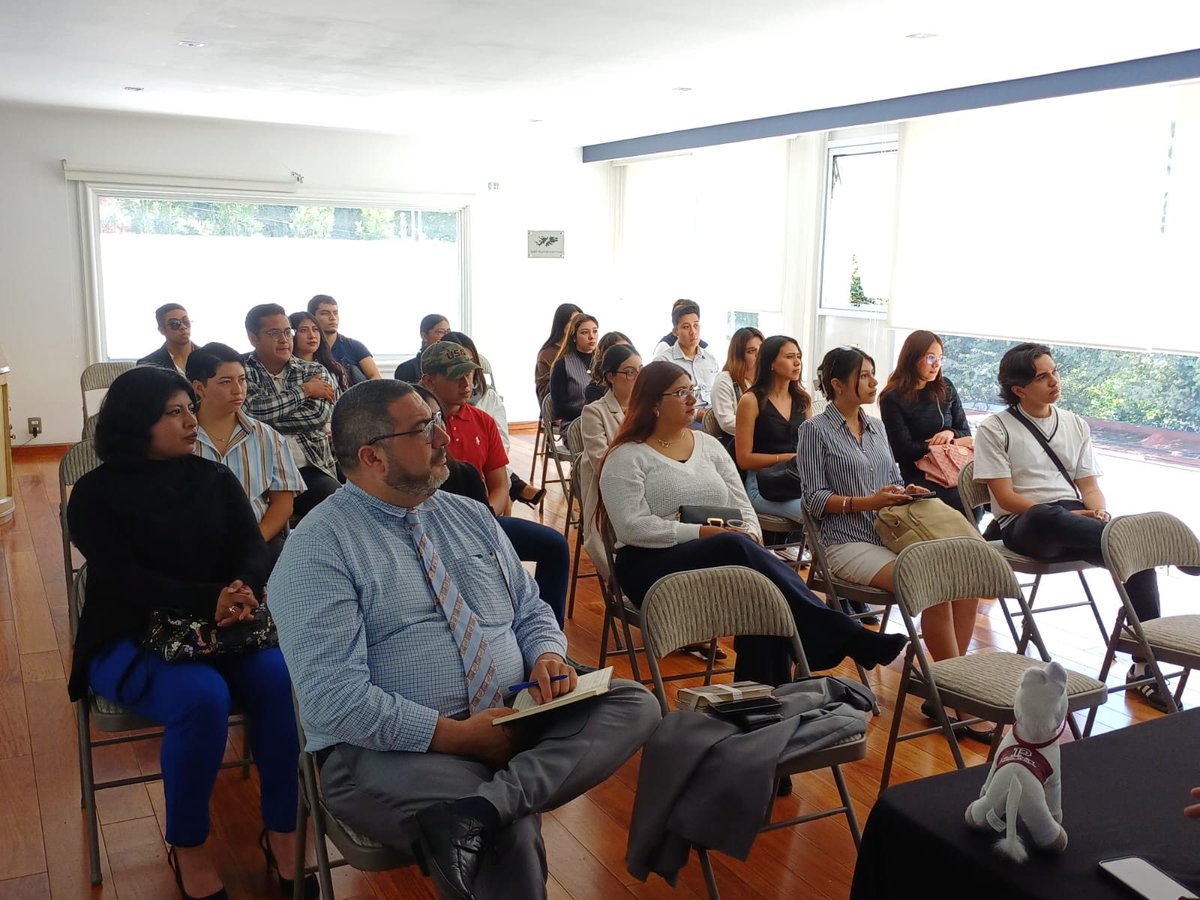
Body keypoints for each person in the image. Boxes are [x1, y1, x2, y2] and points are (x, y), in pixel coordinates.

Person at [268, 379, 660, 900]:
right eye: (424, 429)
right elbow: (335, 703)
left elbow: (529, 609)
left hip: (515, 711)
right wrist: (460, 738)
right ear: (373, 457)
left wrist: (547, 654)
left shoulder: (470, 515)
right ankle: (491, 811)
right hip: (391, 749)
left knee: (634, 703)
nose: (443, 438)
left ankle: (480, 808)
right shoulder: (318, 550)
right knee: (509, 834)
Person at [66, 366, 312, 900]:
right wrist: (212, 598)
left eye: (188, 409)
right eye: (173, 412)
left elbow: (253, 546)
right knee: (203, 697)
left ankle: (284, 828)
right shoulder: (94, 494)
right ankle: (190, 847)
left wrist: (244, 586)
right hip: (129, 634)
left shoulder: (211, 477)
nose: (189, 420)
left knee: (279, 679)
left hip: (223, 630)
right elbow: (124, 579)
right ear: (136, 423)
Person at [598, 360, 907, 689]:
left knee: (763, 590)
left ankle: (763, 703)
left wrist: (751, 535)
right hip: (651, 562)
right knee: (736, 549)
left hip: (720, 554)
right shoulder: (627, 457)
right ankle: (841, 634)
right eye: (681, 393)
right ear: (653, 404)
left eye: (693, 391)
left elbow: (741, 502)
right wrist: (701, 533)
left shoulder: (709, 446)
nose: (692, 400)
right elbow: (632, 528)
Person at [797, 346, 985, 736]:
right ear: (837, 384)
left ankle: (948, 685)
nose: (873, 381)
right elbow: (814, 499)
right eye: (864, 375)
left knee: (965, 578)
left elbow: (893, 481)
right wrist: (869, 501)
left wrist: (904, 490)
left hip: (887, 531)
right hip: (842, 542)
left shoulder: (876, 427)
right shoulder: (814, 431)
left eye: (872, 374)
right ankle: (956, 695)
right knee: (934, 579)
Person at [973, 342, 1168, 711]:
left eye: (1055, 371)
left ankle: (1143, 667)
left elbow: (1090, 488)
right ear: (1019, 389)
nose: (1054, 381)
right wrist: (1071, 517)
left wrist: (1098, 513)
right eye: (1042, 376)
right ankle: (1160, 549)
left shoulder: (1075, 424)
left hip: (1076, 520)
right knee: (1056, 518)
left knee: (1137, 558)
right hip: (1027, 525)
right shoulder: (995, 428)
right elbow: (1005, 496)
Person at [420, 341, 571, 627]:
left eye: (470, 375)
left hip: (481, 519)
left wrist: (486, 515)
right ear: (428, 381)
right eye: (456, 376)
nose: (467, 383)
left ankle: (554, 642)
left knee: (554, 545)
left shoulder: (483, 421)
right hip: (432, 526)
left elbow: (500, 485)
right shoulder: (419, 425)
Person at [187, 343, 305, 563]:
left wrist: (254, 542)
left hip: (260, 538)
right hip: (196, 543)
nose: (238, 389)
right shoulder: (183, 438)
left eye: (242, 380)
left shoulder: (267, 437)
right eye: (225, 382)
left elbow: (283, 503)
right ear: (199, 388)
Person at [242, 303, 340, 521]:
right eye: (274, 333)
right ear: (253, 337)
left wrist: (265, 420)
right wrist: (305, 391)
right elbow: (251, 411)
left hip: (310, 468)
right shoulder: (241, 369)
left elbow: (316, 417)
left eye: (288, 332)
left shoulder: (313, 370)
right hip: (261, 472)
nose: (284, 339)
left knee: (336, 503)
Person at [441, 330, 544, 507]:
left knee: (549, 536)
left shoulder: (486, 406)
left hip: (485, 499)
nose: (465, 380)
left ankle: (516, 488)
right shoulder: (426, 418)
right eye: (456, 370)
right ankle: (518, 487)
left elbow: (500, 454)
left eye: (469, 366)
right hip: (446, 511)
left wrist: (487, 517)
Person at [879, 329, 975, 514]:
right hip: (919, 472)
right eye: (930, 358)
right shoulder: (892, 397)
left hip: (953, 465)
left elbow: (965, 433)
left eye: (940, 358)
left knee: (989, 490)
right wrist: (942, 446)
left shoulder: (945, 387)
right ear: (912, 358)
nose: (937, 364)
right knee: (960, 498)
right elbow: (903, 451)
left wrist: (950, 434)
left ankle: (982, 541)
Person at [578, 344, 641, 577]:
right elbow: (602, 463)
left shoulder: (648, 409)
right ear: (611, 377)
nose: (637, 377)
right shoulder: (595, 412)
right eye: (630, 372)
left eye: (640, 370)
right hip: (609, 488)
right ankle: (628, 584)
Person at [734, 335, 811, 522]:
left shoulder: (803, 400)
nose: (797, 362)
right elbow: (744, 460)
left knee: (837, 508)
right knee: (817, 514)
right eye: (790, 357)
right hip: (763, 485)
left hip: (797, 481)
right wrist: (788, 458)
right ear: (771, 363)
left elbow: (811, 445)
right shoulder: (751, 401)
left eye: (799, 357)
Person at [652, 300, 721, 407]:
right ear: (675, 331)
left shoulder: (711, 359)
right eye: (686, 327)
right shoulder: (664, 362)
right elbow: (658, 402)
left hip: (713, 417)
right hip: (682, 420)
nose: (693, 332)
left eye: (696, 325)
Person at [308, 294, 381, 383]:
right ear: (312, 317)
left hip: (355, 395)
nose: (333, 318)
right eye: (325, 313)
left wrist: (360, 394)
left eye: (335, 313)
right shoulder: (307, 347)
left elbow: (375, 376)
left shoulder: (354, 346)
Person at [711, 326, 764, 438]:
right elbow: (726, 422)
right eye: (751, 351)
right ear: (739, 356)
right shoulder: (724, 380)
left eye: (761, 349)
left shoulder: (767, 378)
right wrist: (764, 429)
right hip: (739, 442)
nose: (758, 355)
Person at [548, 312, 599, 423]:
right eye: (585, 332)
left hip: (603, 421)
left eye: (595, 331)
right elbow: (559, 409)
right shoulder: (562, 365)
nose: (591, 336)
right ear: (574, 337)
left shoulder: (603, 361)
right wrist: (591, 414)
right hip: (575, 423)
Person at [290, 310, 350, 391]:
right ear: (291, 334)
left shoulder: (334, 368)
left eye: (315, 329)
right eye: (303, 330)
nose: (312, 335)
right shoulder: (283, 369)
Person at [534, 302, 582, 402]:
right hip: (563, 410)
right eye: (573, 322)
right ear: (562, 324)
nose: (578, 326)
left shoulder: (586, 350)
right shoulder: (547, 355)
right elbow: (543, 394)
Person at [138, 304, 197, 375]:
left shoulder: (210, 355)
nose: (183, 327)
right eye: (175, 324)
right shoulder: (148, 365)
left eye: (186, 321)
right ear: (162, 330)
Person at [394, 313, 452, 383]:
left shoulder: (453, 364)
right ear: (424, 336)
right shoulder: (407, 368)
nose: (446, 336)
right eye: (441, 332)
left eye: (448, 332)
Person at [583, 331, 633, 405]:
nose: (626, 356)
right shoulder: (594, 390)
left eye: (629, 350)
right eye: (620, 352)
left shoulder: (639, 381)